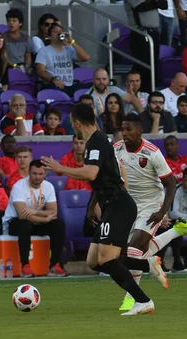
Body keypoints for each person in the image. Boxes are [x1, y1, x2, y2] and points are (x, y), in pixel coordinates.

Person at [40, 103, 156, 315]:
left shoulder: (96, 143)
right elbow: (103, 178)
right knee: (94, 261)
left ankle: (143, 300)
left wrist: (60, 168)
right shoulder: (99, 141)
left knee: (107, 259)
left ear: (76, 123)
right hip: (111, 205)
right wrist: (93, 205)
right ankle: (149, 265)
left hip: (119, 205)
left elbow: (92, 173)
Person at [114, 113, 187, 311]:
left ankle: (133, 298)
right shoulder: (116, 149)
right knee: (128, 252)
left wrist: (163, 211)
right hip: (129, 205)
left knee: (135, 249)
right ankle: (173, 236)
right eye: (122, 129)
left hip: (151, 204)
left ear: (139, 131)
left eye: (128, 129)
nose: (124, 133)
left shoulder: (152, 152)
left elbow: (171, 184)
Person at [3, 159, 68, 278]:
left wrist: (35, 211)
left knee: (58, 224)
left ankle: (55, 265)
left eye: (40, 174)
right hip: (14, 222)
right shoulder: (19, 186)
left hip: (36, 221)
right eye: (34, 174)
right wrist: (45, 219)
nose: (37, 177)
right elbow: (23, 215)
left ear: (45, 174)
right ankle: (25, 266)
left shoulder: (48, 186)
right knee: (24, 224)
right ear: (29, 172)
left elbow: (53, 212)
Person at [35, 23, 90, 96]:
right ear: (50, 37)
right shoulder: (44, 51)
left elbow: (86, 57)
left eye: (60, 31)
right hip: (54, 85)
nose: (59, 33)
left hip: (70, 85)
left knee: (90, 87)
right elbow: (40, 71)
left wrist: (72, 42)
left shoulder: (69, 49)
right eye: (55, 32)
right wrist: (53, 80)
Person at [124, 0, 165, 93]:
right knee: (142, 65)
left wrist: (152, 3)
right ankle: (141, 92)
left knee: (154, 64)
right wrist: (155, 3)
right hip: (140, 33)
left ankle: (150, 92)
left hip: (154, 32)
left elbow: (164, 4)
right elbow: (141, 7)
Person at [3, 8, 32, 73]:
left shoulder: (26, 37)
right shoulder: (3, 37)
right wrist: (15, 65)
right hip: (8, 66)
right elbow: (3, 57)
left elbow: (28, 56)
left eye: (14, 21)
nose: (11, 23)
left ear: (20, 23)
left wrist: (26, 68)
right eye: (9, 21)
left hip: (22, 66)